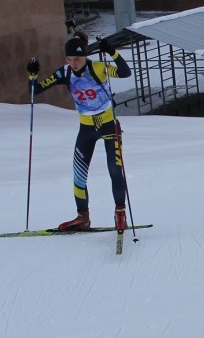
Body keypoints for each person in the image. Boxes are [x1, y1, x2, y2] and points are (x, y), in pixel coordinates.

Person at [26, 32, 132, 231]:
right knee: (78, 175)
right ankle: (82, 217)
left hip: (109, 126)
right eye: (70, 59)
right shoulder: (64, 73)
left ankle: (120, 214)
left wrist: (112, 52)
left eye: (77, 59)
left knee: (114, 170)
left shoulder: (99, 68)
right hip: (87, 128)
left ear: (85, 56)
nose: (73, 63)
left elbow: (125, 73)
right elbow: (35, 91)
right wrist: (32, 75)